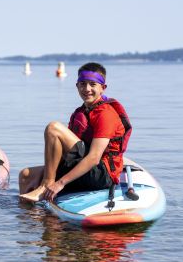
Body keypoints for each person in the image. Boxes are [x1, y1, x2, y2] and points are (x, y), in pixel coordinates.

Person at [19, 62, 127, 202]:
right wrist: (54, 171)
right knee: (25, 175)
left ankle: (46, 185)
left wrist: (60, 183)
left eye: (92, 84)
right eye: (82, 84)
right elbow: (66, 152)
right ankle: (35, 216)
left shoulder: (106, 114)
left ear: (103, 88)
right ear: (77, 86)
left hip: (102, 174)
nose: (86, 89)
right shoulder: (79, 113)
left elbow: (94, 158)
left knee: (54, 128)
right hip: (84, 169)